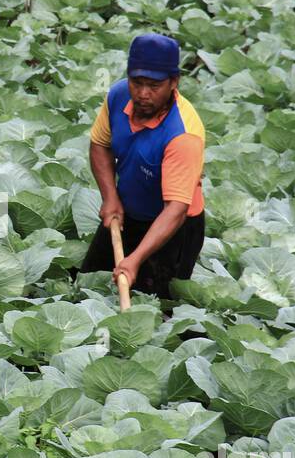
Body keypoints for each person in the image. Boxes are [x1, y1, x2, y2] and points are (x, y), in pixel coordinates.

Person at [76, 32, 207, 301]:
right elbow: (100, 145)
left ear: (174, 82)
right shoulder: (118, 95)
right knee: (89, 285)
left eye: (154, 85)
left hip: (174, 228)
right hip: (127, 210)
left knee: (157, 306)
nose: (143, 94)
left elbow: (176, 210)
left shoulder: (183, 135)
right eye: (137, 82)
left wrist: (134, 260)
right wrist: (110, 197)